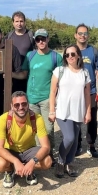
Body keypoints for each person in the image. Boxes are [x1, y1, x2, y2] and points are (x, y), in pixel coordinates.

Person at [0, 91, 52, 188]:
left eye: (24, 104)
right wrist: (16, 161)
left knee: (47, 162)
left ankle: (28, 168)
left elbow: (46, 147)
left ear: (28, 104)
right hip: (11, 150)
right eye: (17, 105)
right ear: (12, 106)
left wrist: (32, 162)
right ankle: (10, 170)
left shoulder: (37, 118)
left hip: (29, 150)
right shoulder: (3, 119)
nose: (21, 107)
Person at [49, 44, 91, 178]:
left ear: (78, 55)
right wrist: (51, 110)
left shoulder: (84, 73)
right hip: (63, 110)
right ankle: (60, 162)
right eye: (67, 55)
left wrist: (88, 111)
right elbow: (52, 92)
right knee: (69, 137)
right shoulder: (59, 70)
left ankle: (69, 162)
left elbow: (87, 95)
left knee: (74, 140)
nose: (70, 57)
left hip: (78, 110)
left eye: (73, 54)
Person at [21, 28, 63, 163]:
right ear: (35, 41)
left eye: (43, 39)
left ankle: (49, 153)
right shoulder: (30, 56)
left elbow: (62, 79)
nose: (41, 41)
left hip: (47, 98)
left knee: (48, 128)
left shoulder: (56, 57)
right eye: (38, 39)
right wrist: (8, 75)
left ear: (48, 39)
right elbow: (23, 74)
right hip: (31, 99)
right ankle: (40, 154)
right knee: (34, 129)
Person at [0, 25, 27, 156]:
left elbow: (18, 71)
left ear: (1, 34)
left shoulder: (12, 49)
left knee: (13, 120)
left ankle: (12, 148)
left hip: (10, 93)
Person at [74, 23, 98, 157]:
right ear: (75, 35)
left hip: (91, 91)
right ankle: (77, 144)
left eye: (85, 33)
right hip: (75, 91)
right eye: (80, 33)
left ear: (88, 35)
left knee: (91, 119)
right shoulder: (71, 50)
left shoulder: (94, 51)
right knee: (76, 119)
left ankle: (91, 145)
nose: (82, 36)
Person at [6, 11, 35, 93]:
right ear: (13, 23)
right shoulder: (9, 36)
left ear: (25, 22)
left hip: (28, 73)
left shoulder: (30, 35)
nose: (19, 24)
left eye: (21, 21)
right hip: (13, 74)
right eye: (17, 21)